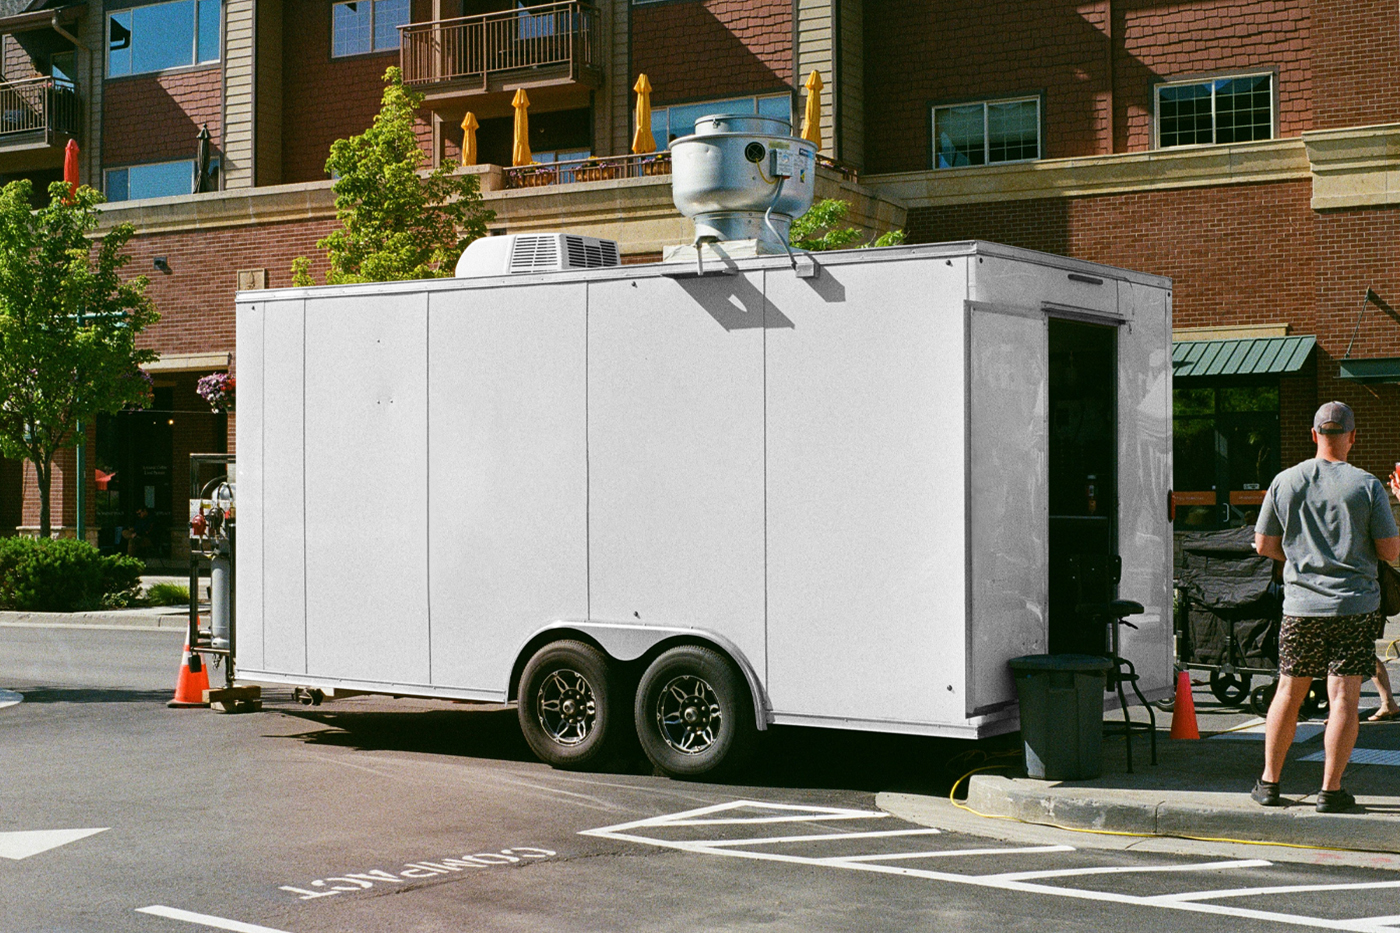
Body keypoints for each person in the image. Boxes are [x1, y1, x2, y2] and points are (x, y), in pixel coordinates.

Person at [1252, 401, 1400, 812]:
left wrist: (1301, 558)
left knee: (1289, 691)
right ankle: (1331, 790)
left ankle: (1269, 784)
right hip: (1354, 606)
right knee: (1344, 698)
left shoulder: (1285, 481)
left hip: (1300, 606)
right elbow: (1389, 549)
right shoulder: (1367, 486)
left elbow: (1264, 545)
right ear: (1352, 437)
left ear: (1313, 434)